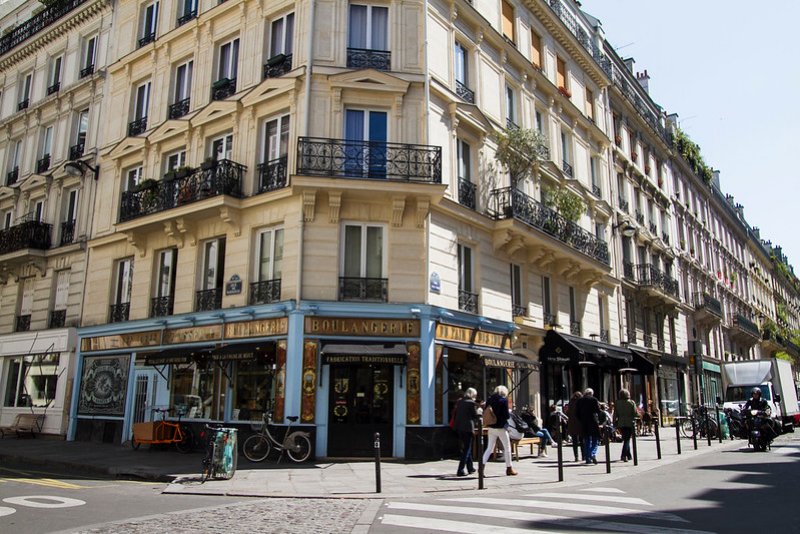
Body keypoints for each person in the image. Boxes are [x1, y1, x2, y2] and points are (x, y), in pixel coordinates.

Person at [481, 385, 517, 476]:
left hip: (491, 426)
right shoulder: (503, 400)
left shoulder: (490, 399)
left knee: (489, 448)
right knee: (507, 448)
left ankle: (481, 467)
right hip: (501, 427)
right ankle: (509, 469)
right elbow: (506, 416)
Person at [453, 388, 481, 477]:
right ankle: (460, 469)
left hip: (459, 427)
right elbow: (474, 416)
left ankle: (470, 467)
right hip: (467, 428)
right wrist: (479, 411)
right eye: (475, 395)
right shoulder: (471, 403)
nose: (475, 397)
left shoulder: (461, 402)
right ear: (472, 395)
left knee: (466, 447)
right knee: (467, 449)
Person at [575, 388, 602, 464]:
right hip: (593, 421)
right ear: (591, 393)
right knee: (595, 439)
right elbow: (598, 410)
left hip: (584, 422)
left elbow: (577, 413)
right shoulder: (594, 399)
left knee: (587, 440)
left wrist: (581, 419)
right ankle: (592, 454)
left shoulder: (580, 401)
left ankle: (587, 458)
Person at [614, 389, 638, 462]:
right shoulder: (631, 402)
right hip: (629, 423)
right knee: (627, 440)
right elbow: (635, 413)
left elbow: (615, 413)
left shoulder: (617, 403)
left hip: (621, 423)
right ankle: (623, 455)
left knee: (625, 438)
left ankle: (629, 455)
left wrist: (614, 422)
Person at [566, 391, 583, 462]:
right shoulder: (580, 402)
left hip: (572, 424)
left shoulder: (571, 402)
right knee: (582, 441)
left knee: (575, 442)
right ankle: (584, 456)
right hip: (580, 424)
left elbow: (568, 412)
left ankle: (576, 456)